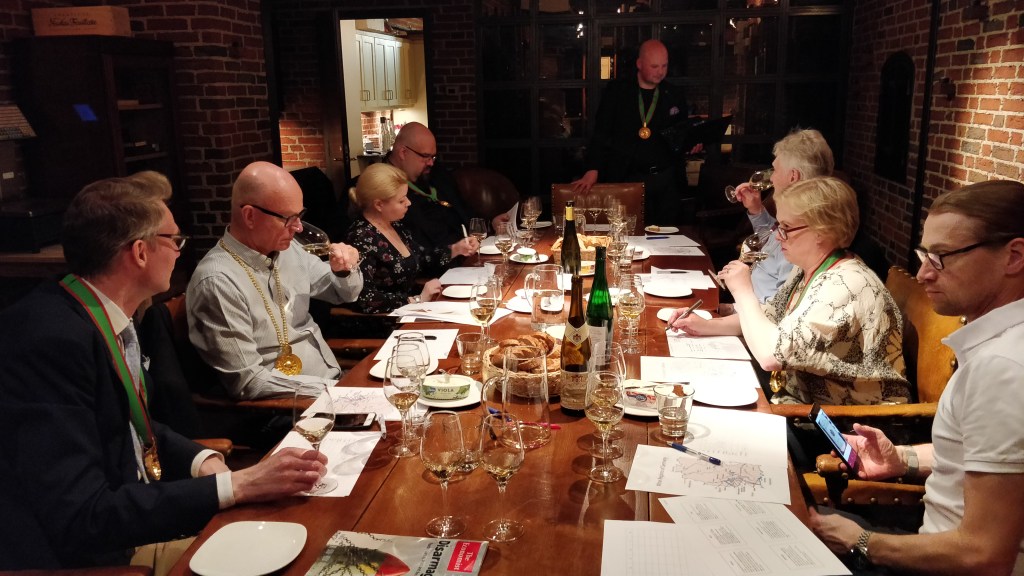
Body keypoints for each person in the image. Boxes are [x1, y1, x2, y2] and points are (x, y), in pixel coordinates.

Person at [0, 173, 327, 571]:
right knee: (312, 551)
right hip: (105, 562)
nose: (179, 252)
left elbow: (129, 422)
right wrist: (237, 485)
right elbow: (83, 516)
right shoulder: (48, 341)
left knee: (310, 529)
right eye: (175, 240)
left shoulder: (96, 314)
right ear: (140, 252)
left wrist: (201, 460)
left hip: (137, 526)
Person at [809, 180, 1024, 575]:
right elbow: (981, 456)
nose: (923, 274)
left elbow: (985, 556)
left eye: (941, 257)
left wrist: (860, 541)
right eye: (924, 255)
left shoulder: (1004, 368)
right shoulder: (1001, 349)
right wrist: (901, 459)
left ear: (1014, 256)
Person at [668, 176, 908, 406]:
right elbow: (769, 317)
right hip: (798, 400)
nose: (777, 235)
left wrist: (743, 291)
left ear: (821, 232)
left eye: (786, 227)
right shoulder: (808, 269)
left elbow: (771, 356)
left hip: (840, 423)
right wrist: (705, 326)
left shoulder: (845, 285)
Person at [187, 161, 363, 400]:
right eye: (289, 218)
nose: (298, 228)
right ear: (250, 216)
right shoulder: (218, 282)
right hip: (291, 407)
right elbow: (249, 382)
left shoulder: (288, 250)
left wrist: (343, 270)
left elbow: (343, 293)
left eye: (300, 216)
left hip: (332, 382)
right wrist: (334, 391)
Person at [571, 39, 689, 226]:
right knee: (626, 231)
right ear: (639, 64)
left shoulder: (673, 94)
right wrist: (592, 169)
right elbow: (601, 132)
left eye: (664, 66)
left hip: (665, 179)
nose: (660, 72)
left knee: (667, 234)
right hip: (627, 177)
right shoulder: (617, 92)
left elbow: (682, 131)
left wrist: (691, 143)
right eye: (654, 66)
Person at [346, 163, 477, 313]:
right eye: (401, 200)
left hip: (412, 309)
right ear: (379, 205)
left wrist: (456, 249)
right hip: (386, 319)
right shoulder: (360, 238)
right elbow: (365, 299)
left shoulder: (395, 225)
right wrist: (417, 299)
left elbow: (422, 259)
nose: (409, 203)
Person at [732, 128, 834, 303]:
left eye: (775, 170)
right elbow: (770, 242)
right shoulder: (799, 218)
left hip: (754, 313)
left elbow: (779, 309)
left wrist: (741, 292)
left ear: (793, 176)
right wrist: (756, 210)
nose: (771, 178)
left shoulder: (801, 237)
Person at [383, 121, 509, 251]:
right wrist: (453, 250)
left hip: (470, 249)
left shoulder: (436, 173)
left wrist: (489, 224)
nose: (431, 163)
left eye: (433, 157)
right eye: (426, 156)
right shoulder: (385, 187)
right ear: (403, 152)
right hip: (440, 258)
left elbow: (461, 208)